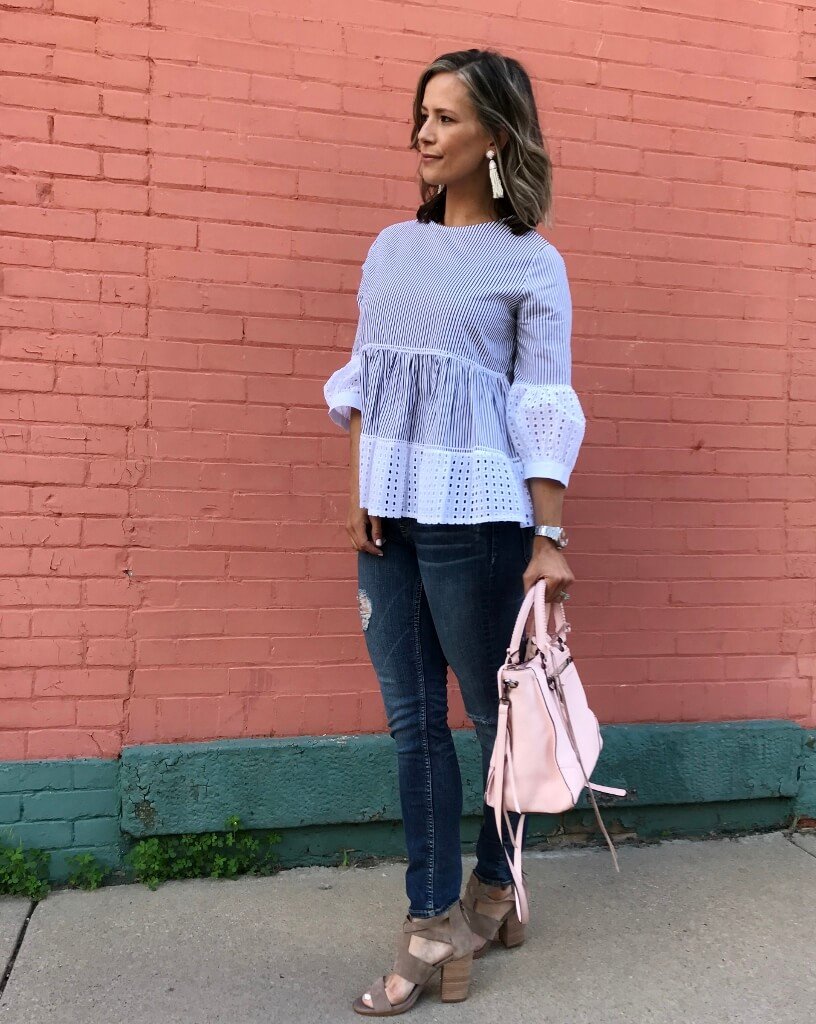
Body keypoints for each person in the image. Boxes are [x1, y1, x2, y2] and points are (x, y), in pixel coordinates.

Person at [323, 48, 586, 1017]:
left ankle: (495, 884)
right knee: (411, 725)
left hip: (477, 522)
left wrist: (548, 533)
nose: (423, 134)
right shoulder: (392, 245)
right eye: (419, 116)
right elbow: (366, 380)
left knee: (499, 718)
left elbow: (542, 400)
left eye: (444, 118)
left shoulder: (531, 261)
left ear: (497, 138)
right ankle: (433, 919)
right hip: (386, 518)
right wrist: (359, 490)